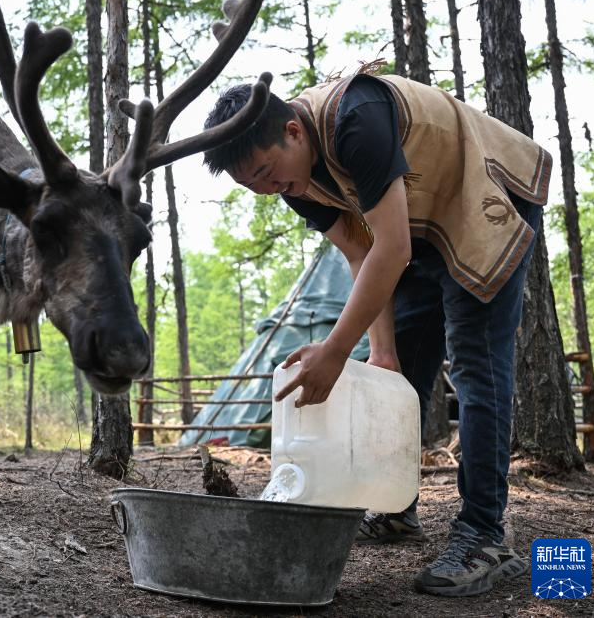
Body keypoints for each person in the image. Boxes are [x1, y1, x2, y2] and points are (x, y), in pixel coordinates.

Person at [203, 68, 551, 597]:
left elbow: (390, 249)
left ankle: (484, 535)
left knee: (476, 366)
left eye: (268, 172)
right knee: (398, 374)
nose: (269, 188)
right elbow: (362, 251)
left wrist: (337, 352)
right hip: (420, 224)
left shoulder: (356, 120)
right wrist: (381, 353)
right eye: (253, 185)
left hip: (486, 194)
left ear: (293, 131)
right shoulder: (293, 180)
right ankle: (396, 509)